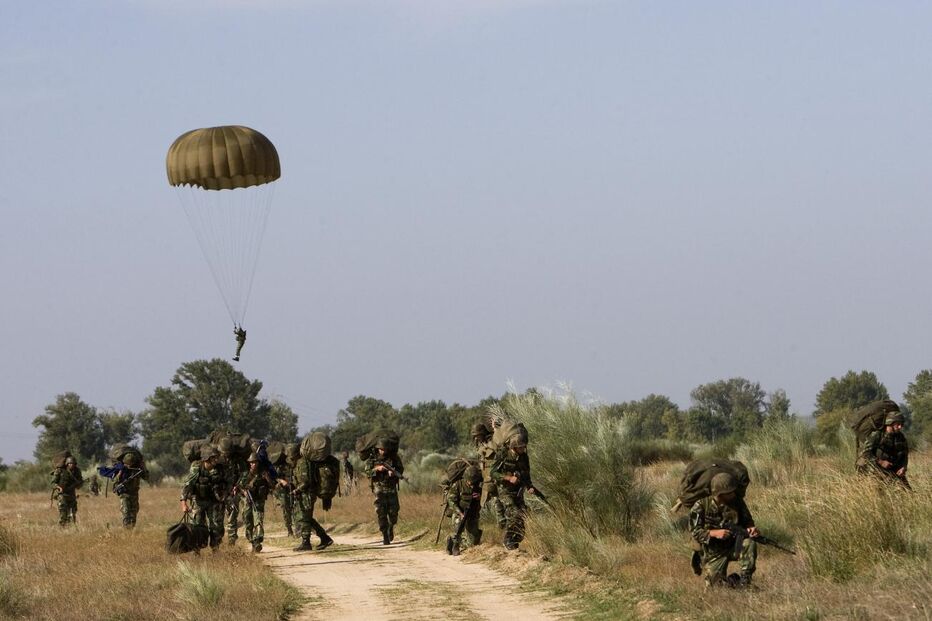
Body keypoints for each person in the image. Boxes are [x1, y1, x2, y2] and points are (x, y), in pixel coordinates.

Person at [689, 473, 758, 588]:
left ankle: (746, 580)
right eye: (730, 492)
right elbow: (694, 532)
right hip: (713, 552)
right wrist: (713, 533)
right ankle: (733, 580)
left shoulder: (738, 502)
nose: (733, 494)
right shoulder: (700, 506)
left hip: (734, 545)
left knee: (749, 543)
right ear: (720, 493)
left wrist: (751, 529)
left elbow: (748, 522)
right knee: (715, 587)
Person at [489, 435, 538, 550]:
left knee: (523, 514)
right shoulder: (503, 455)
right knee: (514, 513)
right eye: (520, 447)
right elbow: (493, 473)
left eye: (524, 447)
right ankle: (507, 540)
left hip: (518, 491)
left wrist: (529, 486)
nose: (523, 449)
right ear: (514, 447)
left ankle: (515, 541)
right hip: (504, 490)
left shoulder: (524, 457)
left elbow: (526, 473)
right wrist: (508, 478)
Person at [180, 446, 227, 549]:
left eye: (216, 457)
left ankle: (215, 550)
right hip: (198, 501)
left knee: (216, 527)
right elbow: (187, 485)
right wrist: (183, 503)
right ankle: (197, 551)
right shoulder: (197, 468)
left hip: (214, 502)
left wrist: (225, 497)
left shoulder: (219, 469)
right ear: (207, 458)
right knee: (197, 527)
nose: (216, 459)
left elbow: (226, 483)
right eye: (213, 457)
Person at [237, 452, 285, 552]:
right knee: (248, 523)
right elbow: (239, 487)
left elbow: (272, 486)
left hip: (259, 501)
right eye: (251, 462)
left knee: (258, 521)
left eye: (254, 462)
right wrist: (244, 492)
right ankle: (253, 542)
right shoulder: (246, 474)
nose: (252, 464)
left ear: (258, 463)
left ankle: (257, 540)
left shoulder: (263, 473)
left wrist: (268, 479)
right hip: (247, 502)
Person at [292, 452, 335, 552]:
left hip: (307, 494)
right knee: (308, 518)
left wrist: (297, 490)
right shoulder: (302, 462)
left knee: (305, 519)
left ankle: (306, 543)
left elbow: (305, 481)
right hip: (306, 494)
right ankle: (325, 538)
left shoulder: (302, 462)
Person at [365, 439, 404, 545]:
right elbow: (367, 472)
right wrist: (376, 469)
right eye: (381, 449)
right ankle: (385, 535)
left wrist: (394, 473)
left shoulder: (394, 458)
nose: (383, 451)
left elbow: (400, 470)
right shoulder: (372, 459)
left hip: (391, 488)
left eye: (385, 449)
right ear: (378, 448)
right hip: (379, 490)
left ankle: (390, 527)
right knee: (381, 513)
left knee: (393, 513)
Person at [857, 411, 910, 489]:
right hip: (875, 471)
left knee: (908, 494)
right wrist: (880, 462)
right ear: (890, 422)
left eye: (901, 424)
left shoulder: (900, 437)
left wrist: (903, 467)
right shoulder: (877, 435)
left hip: (894, 471)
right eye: (898, 424)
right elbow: (865, 453)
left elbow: (904, 454)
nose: (900, 427)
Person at [473, 421, 506, 529]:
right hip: (486, 478)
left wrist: (495, 428)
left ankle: (502, 524)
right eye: (475, 436)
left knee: (497, 500)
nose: (476, 438)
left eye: (478, 435)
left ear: (482, 433)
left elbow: (497, 450)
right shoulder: (481, 445)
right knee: (487, 502)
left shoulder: (492, 441)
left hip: (496, 477)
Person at [446, 465, 483, 555]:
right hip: (459, 512)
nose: (471, 483)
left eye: (473, 481)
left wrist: (478, 498)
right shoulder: (458, 485)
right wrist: (459, 513)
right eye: (470, 481)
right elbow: (451, 501)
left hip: (472, 513)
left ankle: (460, 541)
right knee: (458, 530)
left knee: (474, 543)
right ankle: (454, 542)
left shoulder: (478, 485)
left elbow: (481, 501)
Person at [218, 438, 246, 545]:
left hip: (233, 492)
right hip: (220, 494)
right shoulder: (217, 460)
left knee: (232, 517)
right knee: (218, 519)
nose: (226, 455)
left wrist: (238, 485)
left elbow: (244, 473)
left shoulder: (237, 460)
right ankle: (218, 542)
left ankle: (231, 542)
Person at [114, 451, 148, 528]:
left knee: (134, 513)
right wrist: (119, 475)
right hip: (124, 494)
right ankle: (126, 530)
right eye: (127, 464)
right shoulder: (122, 469)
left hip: (134, 494)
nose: (129, 466)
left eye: (130, 464)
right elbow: (115, 481)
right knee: (126, 512)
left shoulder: (138, 469)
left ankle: (131, 530)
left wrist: (143, 468)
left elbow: (146, 477)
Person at [51, 456, 84, 527]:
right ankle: (61, 527)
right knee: (63, 513)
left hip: (72, 495)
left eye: (73, 463)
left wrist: (78, 484)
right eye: (70, 463)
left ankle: (71, 529)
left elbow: (80, 483)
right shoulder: (60, 470)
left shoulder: (77, 471)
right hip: (62, 494)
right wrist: (58, 487)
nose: (71, 465)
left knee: (72, 514)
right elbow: (53, 482)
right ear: (67, 464)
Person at [275, 447, 297, 537]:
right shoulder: (280, 466)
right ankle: (289, 529)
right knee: (286, 510)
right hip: (283, 491)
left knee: (295, 509)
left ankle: (298, 528)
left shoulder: (292, 465)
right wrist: (281, 481)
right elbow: (275, 477)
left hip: (293, 489)